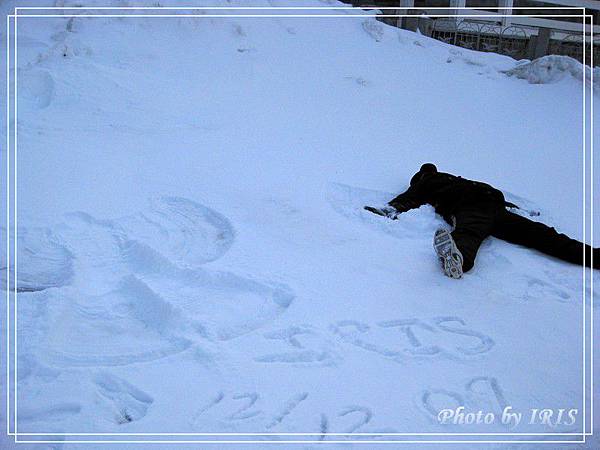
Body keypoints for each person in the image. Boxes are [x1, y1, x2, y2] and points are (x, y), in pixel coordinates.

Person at [364, 163, 599, 279]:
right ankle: (459, 260)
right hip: (473, 207)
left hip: (493, 207)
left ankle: (595, 258)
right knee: (470, 232)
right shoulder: (428, 184)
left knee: (542, 235)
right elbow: (409, 198)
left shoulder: (453, 180)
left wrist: (519, 210)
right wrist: (390, 209)